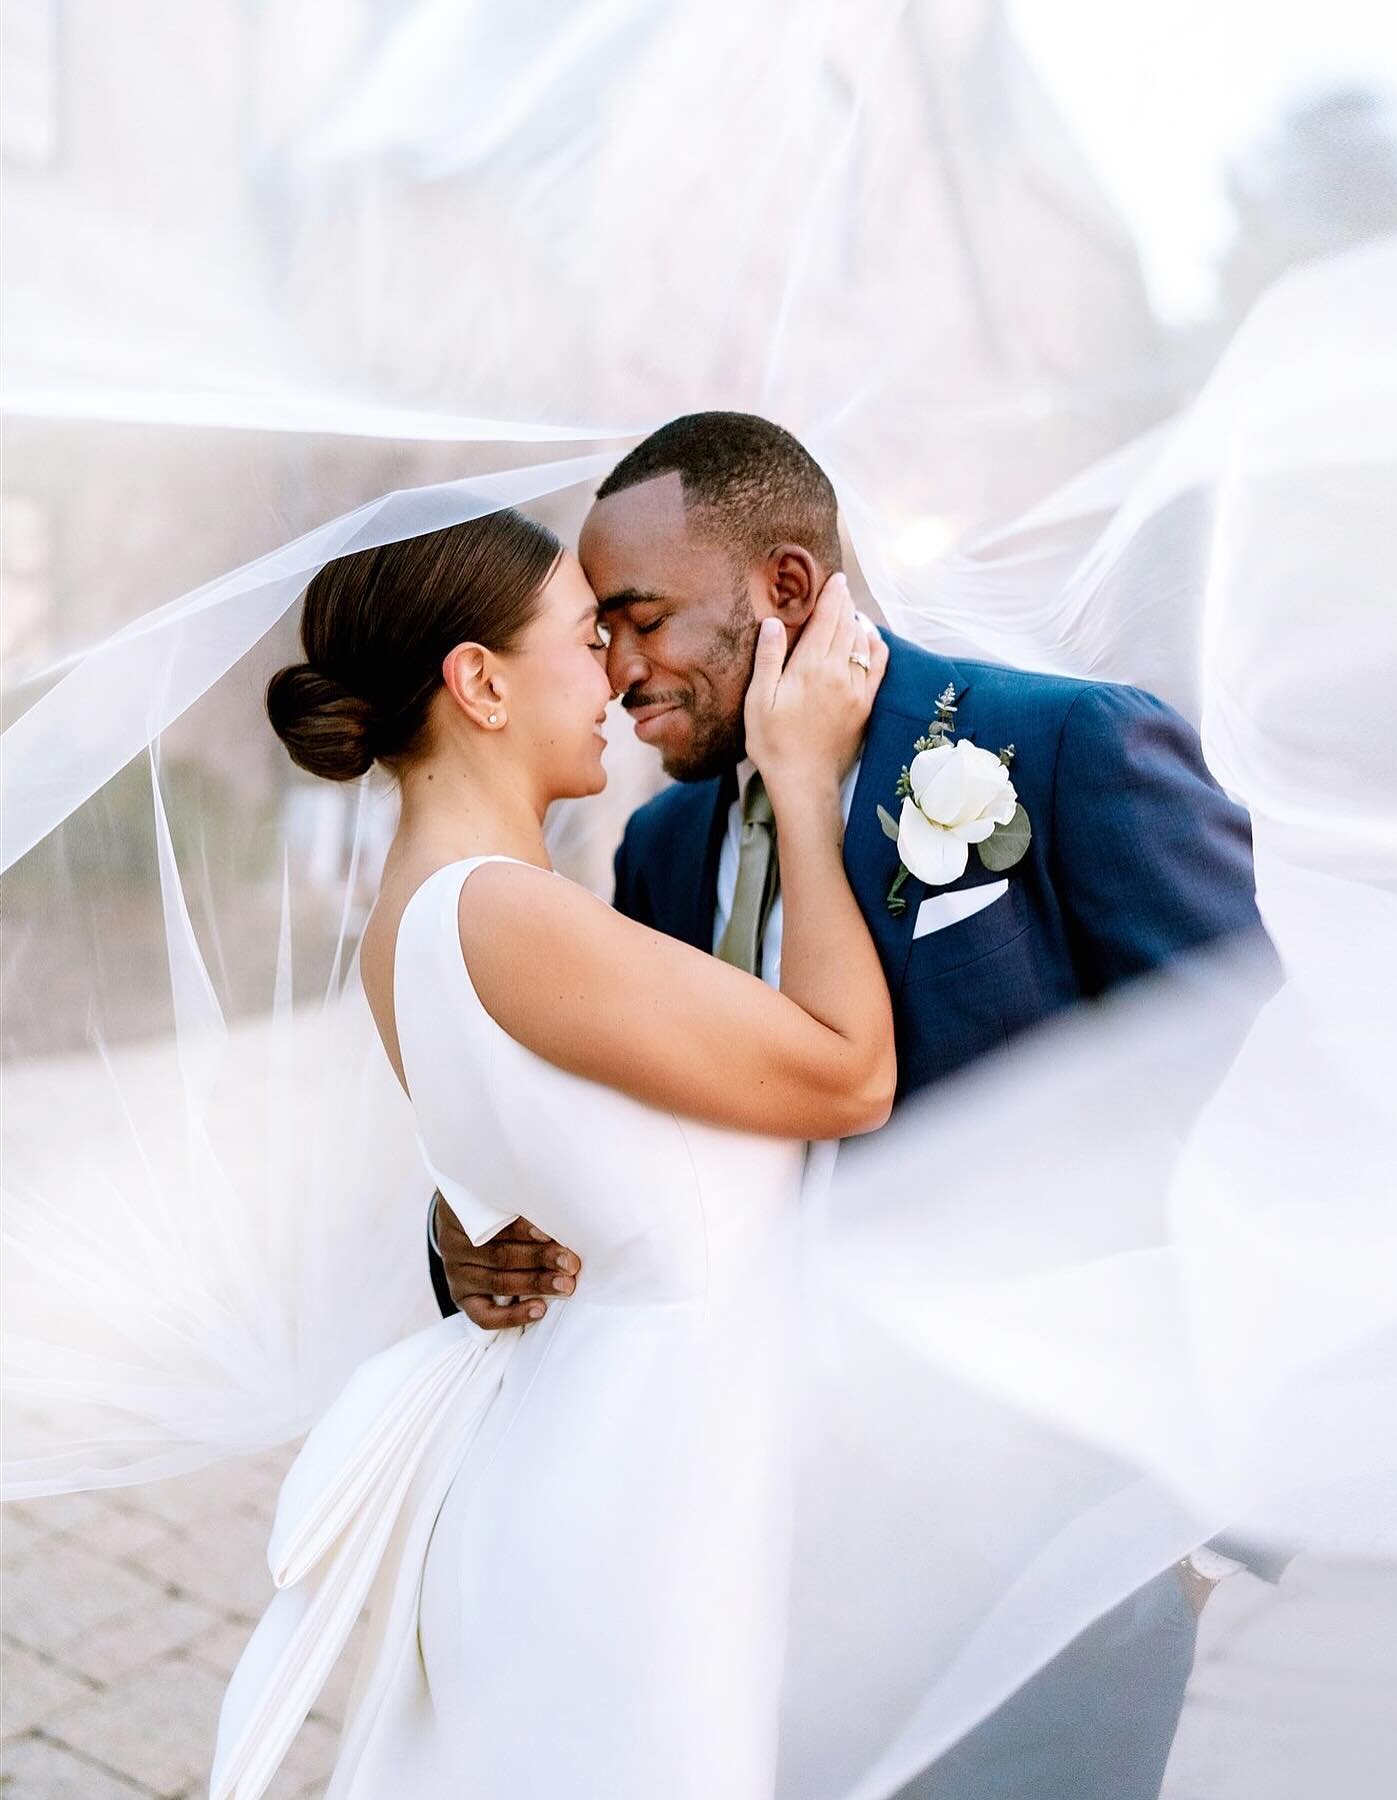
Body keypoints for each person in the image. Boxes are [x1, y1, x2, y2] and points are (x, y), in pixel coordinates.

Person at [431, 412, 1278, 1800]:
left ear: (783, 589)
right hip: (754, 1527)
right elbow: (604, 1125)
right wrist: (469, 1241)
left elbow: (1250, 1092)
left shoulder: (1062, 749)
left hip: (1035, 1529)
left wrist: (1192, 1478)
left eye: (640, 618)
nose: (616, 669)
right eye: (597, 634)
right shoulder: (663, 847)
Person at [213, 507, 896, 1797]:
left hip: (612, 1455)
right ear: (478, 682)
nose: (616, 675)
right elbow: (849, 1071)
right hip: (645, 1499)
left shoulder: (415, 917)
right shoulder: (506, 913)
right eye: (586, 639)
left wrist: (450, 1238)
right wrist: (803, 786)